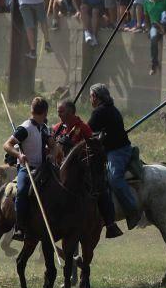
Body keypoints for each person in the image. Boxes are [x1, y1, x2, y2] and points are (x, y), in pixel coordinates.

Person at [51, 100, 124, 239]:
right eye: (58, 111)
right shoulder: (57, 128)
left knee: (102, 189)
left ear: (71, 112)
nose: (58, 114)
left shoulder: (83, 127)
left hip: (81, 172)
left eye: (61, 111)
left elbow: (94, 148)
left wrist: (72, 144)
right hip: (58, 171)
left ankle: (110, 224)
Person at [88, 84, 141, 231]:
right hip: (107, 150)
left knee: (114, 178)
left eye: (91, 96)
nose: (90, 100)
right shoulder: (108, 109)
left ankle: (132, 210)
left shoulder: (100, 112)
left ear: (96, 98)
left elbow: (87, 132)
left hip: (118, 151)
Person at [2, 97, 51, 242]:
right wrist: (19, 155)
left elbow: (53, 145)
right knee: (22, 191)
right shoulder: (25, 128)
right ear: (45, 112)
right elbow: (7, 145)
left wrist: (53, 152)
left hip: (43, 168)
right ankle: (19, 227)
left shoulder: (44, 128)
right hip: (26, 168)